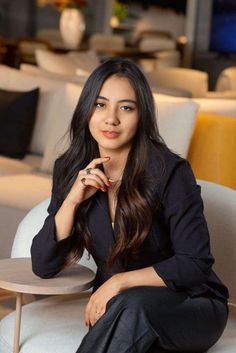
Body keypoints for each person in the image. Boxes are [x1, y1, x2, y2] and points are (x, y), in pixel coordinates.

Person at [31, 57, 229, 353]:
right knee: (129, 310)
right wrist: (72, 200)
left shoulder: (170, 172)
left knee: (132, 304)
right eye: (100, 105)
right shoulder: (71, 170)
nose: (111, 119)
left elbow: (195, 264)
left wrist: (118, 282)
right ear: (86, 110)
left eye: (126, 107)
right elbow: (43, 264)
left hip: (191, 306)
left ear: (142, 116)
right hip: (123, 314)